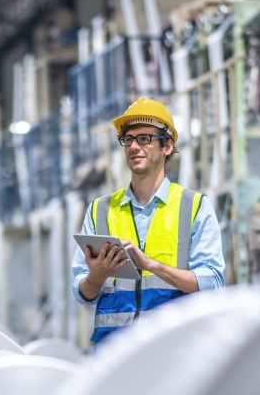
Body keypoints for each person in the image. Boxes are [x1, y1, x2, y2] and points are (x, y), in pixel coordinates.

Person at [71, 97, 225, 345]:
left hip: (174, 351)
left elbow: (212, 283)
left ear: (167, 147)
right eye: (128, 139)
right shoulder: (100, 210)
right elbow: (82, 293)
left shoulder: (194, 207)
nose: (134, 146)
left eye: (144, 139)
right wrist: (96, 276)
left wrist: (151, 265)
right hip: (114, 354)